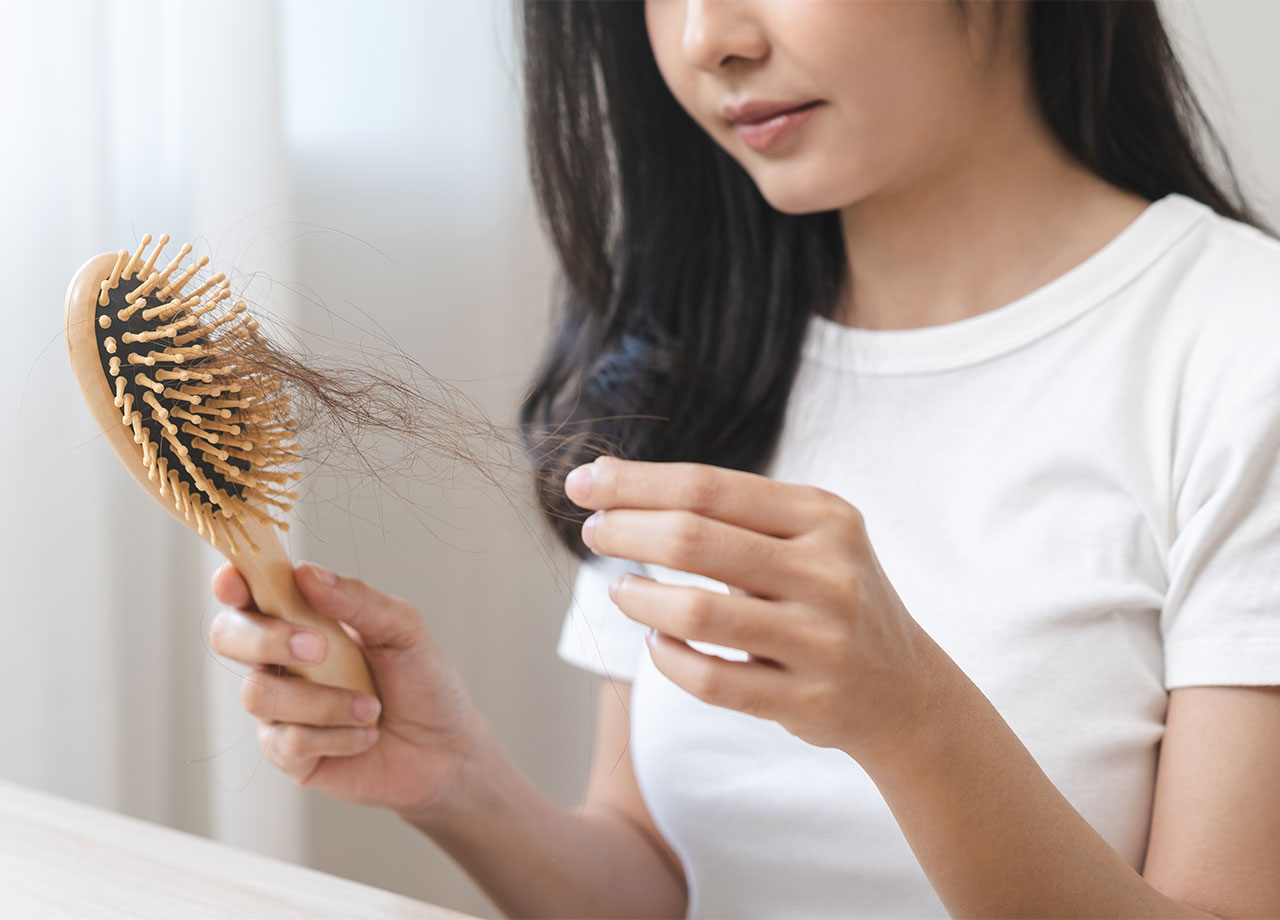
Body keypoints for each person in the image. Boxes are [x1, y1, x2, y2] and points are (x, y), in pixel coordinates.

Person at [210, 1, 1280, 916]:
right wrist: (454, 778)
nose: (704, 40)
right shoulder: (697, 353)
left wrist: (912, 717)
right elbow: (662, 879)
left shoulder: (1237, 348)